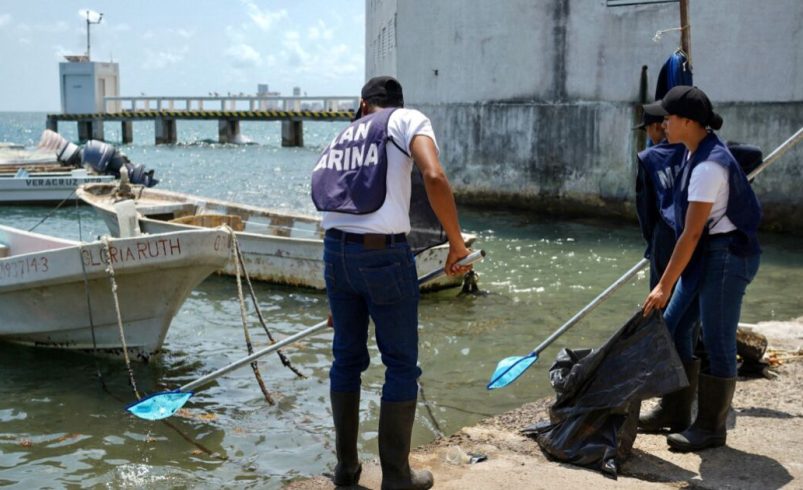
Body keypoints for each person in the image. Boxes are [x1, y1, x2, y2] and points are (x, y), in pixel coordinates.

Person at [311, 76, 471, 489]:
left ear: (364, 105)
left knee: (345, 361)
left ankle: (346, 470)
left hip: (335, 254)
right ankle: (397, 476)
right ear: (397, 104)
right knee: (400, 365)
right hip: (383, 255)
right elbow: (433, 176)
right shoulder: (407, 120)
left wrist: (338, 293)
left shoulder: (343, 135)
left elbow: (336, 202)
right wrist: (456, 244)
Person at [642, 85, 761, 452]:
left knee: (717, 339)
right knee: (674, 325)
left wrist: (663, 284)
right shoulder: (695, 151)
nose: (663, 123)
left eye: (669, 117)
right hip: (708, 251)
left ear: (690, 122)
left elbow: (691, 234)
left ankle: (710, 428)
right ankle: (676, 410)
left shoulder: (708, 165)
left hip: (726, 255)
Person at [633, 111, 702, 433]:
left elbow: (645, 209)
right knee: (691, 314)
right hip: (700, 236)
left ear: (656, 125)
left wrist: (653, 246)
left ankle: (671, 400)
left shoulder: (649, 158)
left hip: (666, 238)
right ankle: (683, 394)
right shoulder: (700, 151)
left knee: (665, 317)